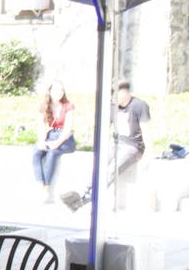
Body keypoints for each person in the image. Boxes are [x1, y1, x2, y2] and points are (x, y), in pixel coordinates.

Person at [61, 79, 151, 211]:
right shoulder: (112, 106)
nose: (112, 99)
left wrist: (148, 157)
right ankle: (82, 192)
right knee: (99, 164)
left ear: (124, 92)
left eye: (114, 95)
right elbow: (105, 128)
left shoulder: (139, 105)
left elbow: (146, 131)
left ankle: (86, 199)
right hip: (117, 142)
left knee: (112, 169)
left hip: (134, 146)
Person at [31, 80, 77, 203]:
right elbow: (41, 125)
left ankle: (46, 188)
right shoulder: (44, 106)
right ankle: (40, 185)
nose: (59, 93)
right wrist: (41, 141)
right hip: (51, 135)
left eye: (61, 90)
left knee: (52, 153)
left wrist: (57, 143)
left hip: (65, 138)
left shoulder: (68, 106)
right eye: (56, 90)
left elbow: (67, 129)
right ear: (50, 91)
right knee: (36, 152)